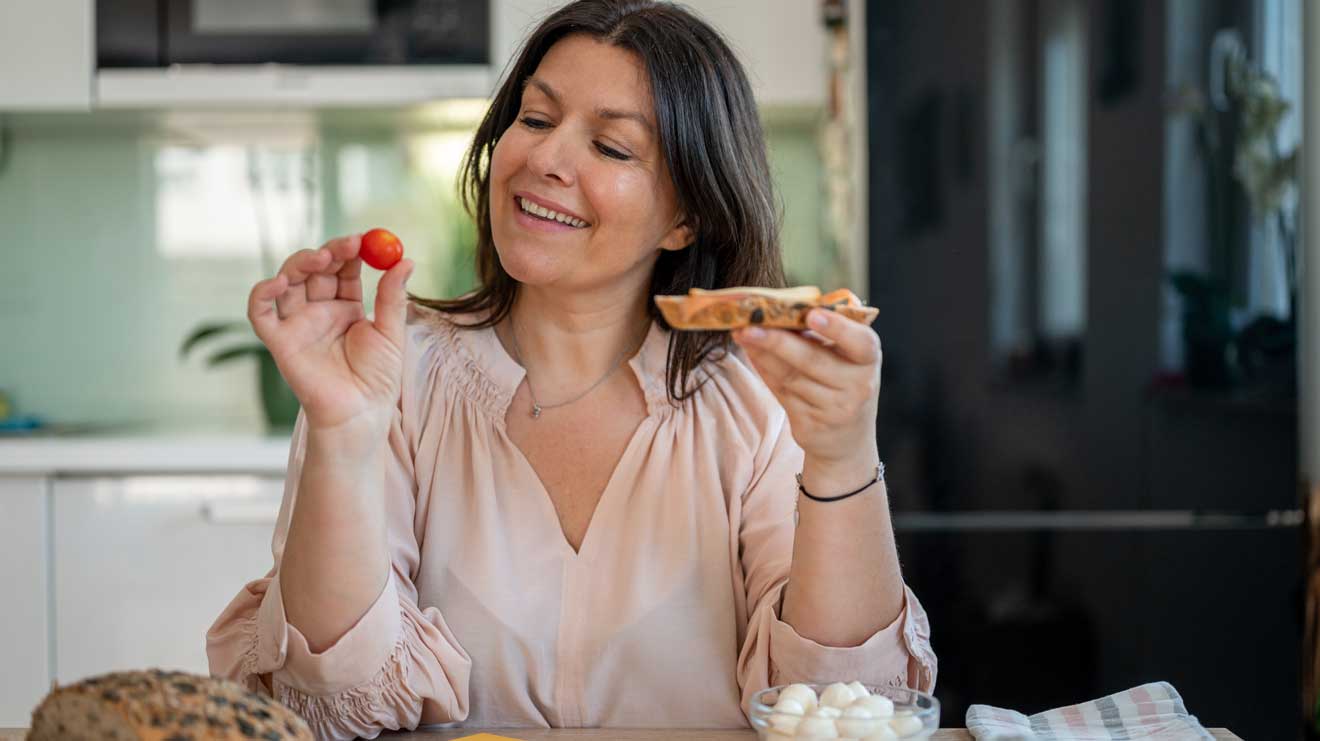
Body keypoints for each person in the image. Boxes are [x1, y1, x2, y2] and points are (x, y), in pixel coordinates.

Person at [206, 1, 936, 738]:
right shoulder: (391, 381)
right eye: (535, 118)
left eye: (612, 148)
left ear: (686, 219)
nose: (547, 160)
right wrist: (341, 433)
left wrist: (842, 454)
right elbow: (330, 706)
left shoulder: (756, 401)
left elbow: (845, 708)